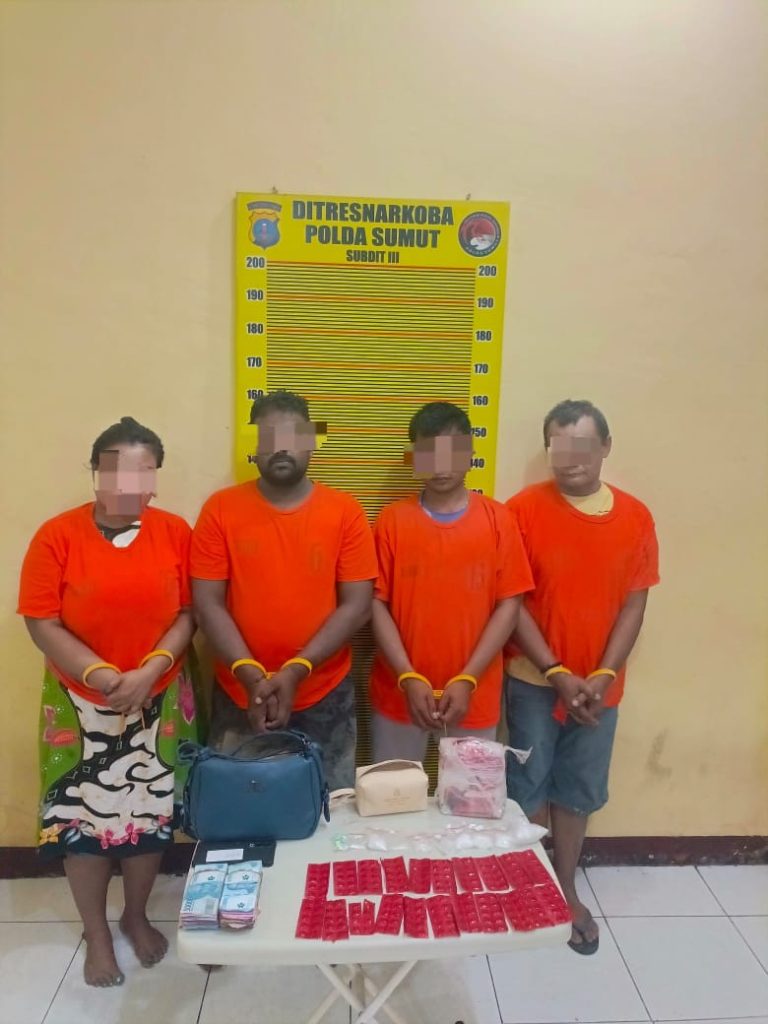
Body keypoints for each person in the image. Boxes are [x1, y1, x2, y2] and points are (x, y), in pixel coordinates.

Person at [17, 417, 200, 987]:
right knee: (85, 820)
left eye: (143, 470)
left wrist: (151, 669)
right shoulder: (56, 535)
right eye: (115, 468)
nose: (128, 481)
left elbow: (189, 613)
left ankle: (135, 916)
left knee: (149, 813)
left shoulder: (175, 532)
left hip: (159, 696)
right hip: (80, 702)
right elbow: (41, 619)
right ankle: (96, 934)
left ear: (155, 477)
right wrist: (98, 673)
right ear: (95, 472)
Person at [505, 399, 660, 955]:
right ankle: (529, 888)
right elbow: (512, 602)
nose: (569, 458)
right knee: (526, 787)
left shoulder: (636, 517)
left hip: (600, 691)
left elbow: (634, 604)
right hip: (531, 680)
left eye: (582, 446)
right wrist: (555, 670)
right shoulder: (521, 511)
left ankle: (566, 886)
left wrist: (602, 674)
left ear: (605, 447)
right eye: (558, 446)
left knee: (578, 791)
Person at [190, 390, 376, 790]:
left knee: (330, 810)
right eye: (268, 438)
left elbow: (357, 606)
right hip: (240, 692)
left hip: (326, 693)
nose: (280, 448)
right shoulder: (220, 509)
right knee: (240, 809)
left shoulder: (345, 512)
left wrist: (296, 670)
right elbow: (207, 604)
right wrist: (251, 676)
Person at [369, 401, 534, 760]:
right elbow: (375, 604)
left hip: (475, 696)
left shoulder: (499, 521)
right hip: (399, 694)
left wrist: (468, 678)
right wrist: (407, 676)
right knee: (394, 791)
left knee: (470, 795)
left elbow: (510, 603)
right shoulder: (392, 521)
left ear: (470, 453)